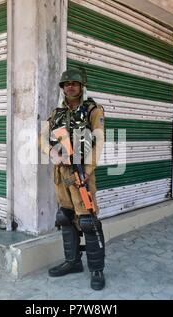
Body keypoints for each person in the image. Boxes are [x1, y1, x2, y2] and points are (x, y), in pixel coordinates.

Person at [41, 68, 106, 290]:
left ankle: (97, 269)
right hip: (61, 173)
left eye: (74, 83)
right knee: (65, 217)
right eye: (66, 83)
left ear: (81, 86)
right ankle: (73, 261)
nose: (70, 86)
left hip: (82, 172)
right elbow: (42, 137)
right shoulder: (56, 112)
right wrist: (52, 154)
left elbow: (99, 140)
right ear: (62, 87)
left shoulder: (93, 110)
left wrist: (87, 170)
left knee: (87, 220)